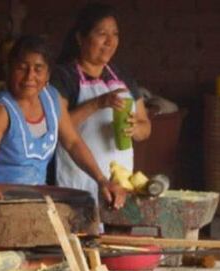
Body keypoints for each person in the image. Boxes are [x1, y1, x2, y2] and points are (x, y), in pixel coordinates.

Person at [0, 35, 126, 208]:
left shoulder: (52, 99)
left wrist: (101, 180)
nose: (29, 77)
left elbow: (73, 143)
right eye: (22, 68)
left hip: (35, 203)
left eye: (38, 69)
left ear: (48, 75)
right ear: (9, 70)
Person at [52, 3, 151, 200]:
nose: (110, 41)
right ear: (81, 38)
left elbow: (146, 127)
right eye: (101, 33)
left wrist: (135, 129)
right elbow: (57, 128)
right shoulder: (63, 76)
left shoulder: (123, 76)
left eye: (115, 34)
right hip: (77, 178)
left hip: (119, 181)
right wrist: (98, 103)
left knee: (115, 230)